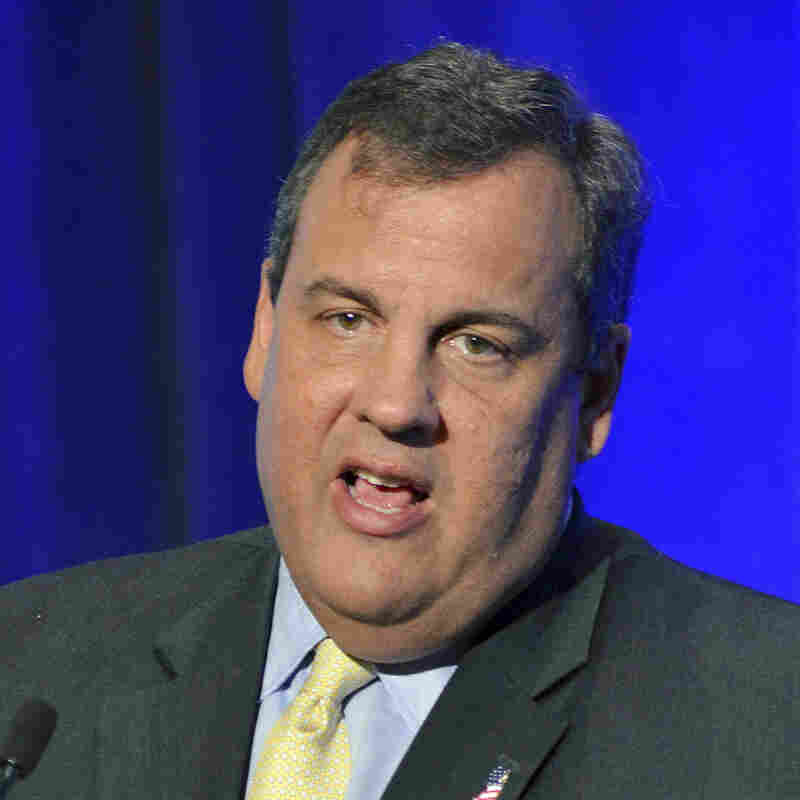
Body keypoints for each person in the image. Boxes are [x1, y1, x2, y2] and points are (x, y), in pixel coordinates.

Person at [2, 42, 798, 800]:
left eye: (476, 344)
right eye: (348, 319)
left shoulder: (765, 729)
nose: (394, 405)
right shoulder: (28, 669)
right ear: (264, 329)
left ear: (594, 391)